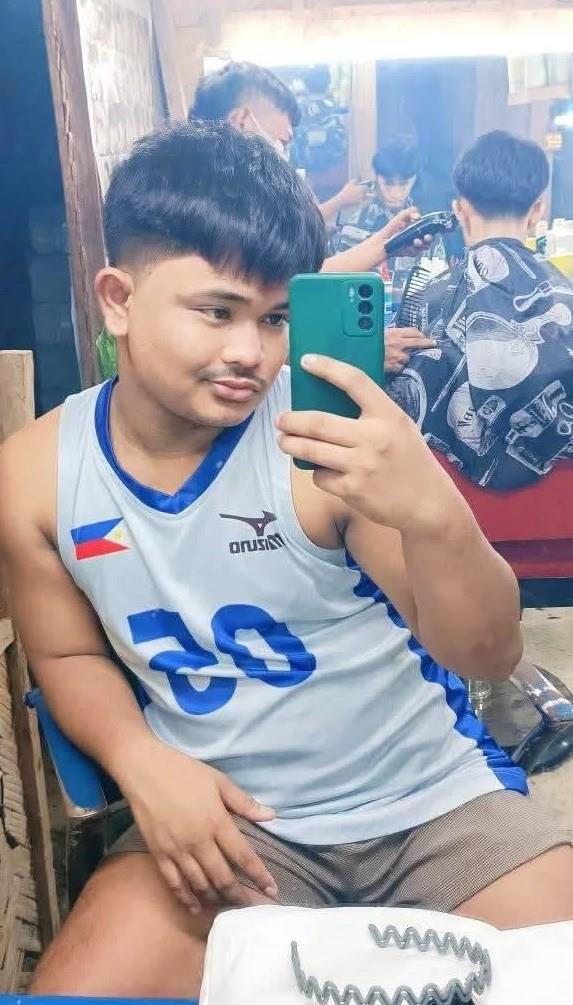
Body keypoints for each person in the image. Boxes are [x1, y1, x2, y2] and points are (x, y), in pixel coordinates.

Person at [4, 122, 571, 1000]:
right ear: (118, 299)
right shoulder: (35, 476)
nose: (250, 352)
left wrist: (435, 511)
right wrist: (140, 761)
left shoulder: (326, 447)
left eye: (274, 318)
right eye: (217, 311)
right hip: (225, 821)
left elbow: (488, 654)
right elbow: (69, 654)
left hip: (433, 802)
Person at [190, 62, 435, 369]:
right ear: (241, 121)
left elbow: (297, 279)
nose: (283, 156)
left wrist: (387, 244)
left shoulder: (237, 202)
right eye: (281, 143)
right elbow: (237, 335)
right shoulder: (200, 210)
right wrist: (356, 351)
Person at [390, 130, 573, 490]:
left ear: (460, 209)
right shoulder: (565, 297)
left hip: (440, 506)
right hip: (558, 515)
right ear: (538, 209)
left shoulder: (424, 300)